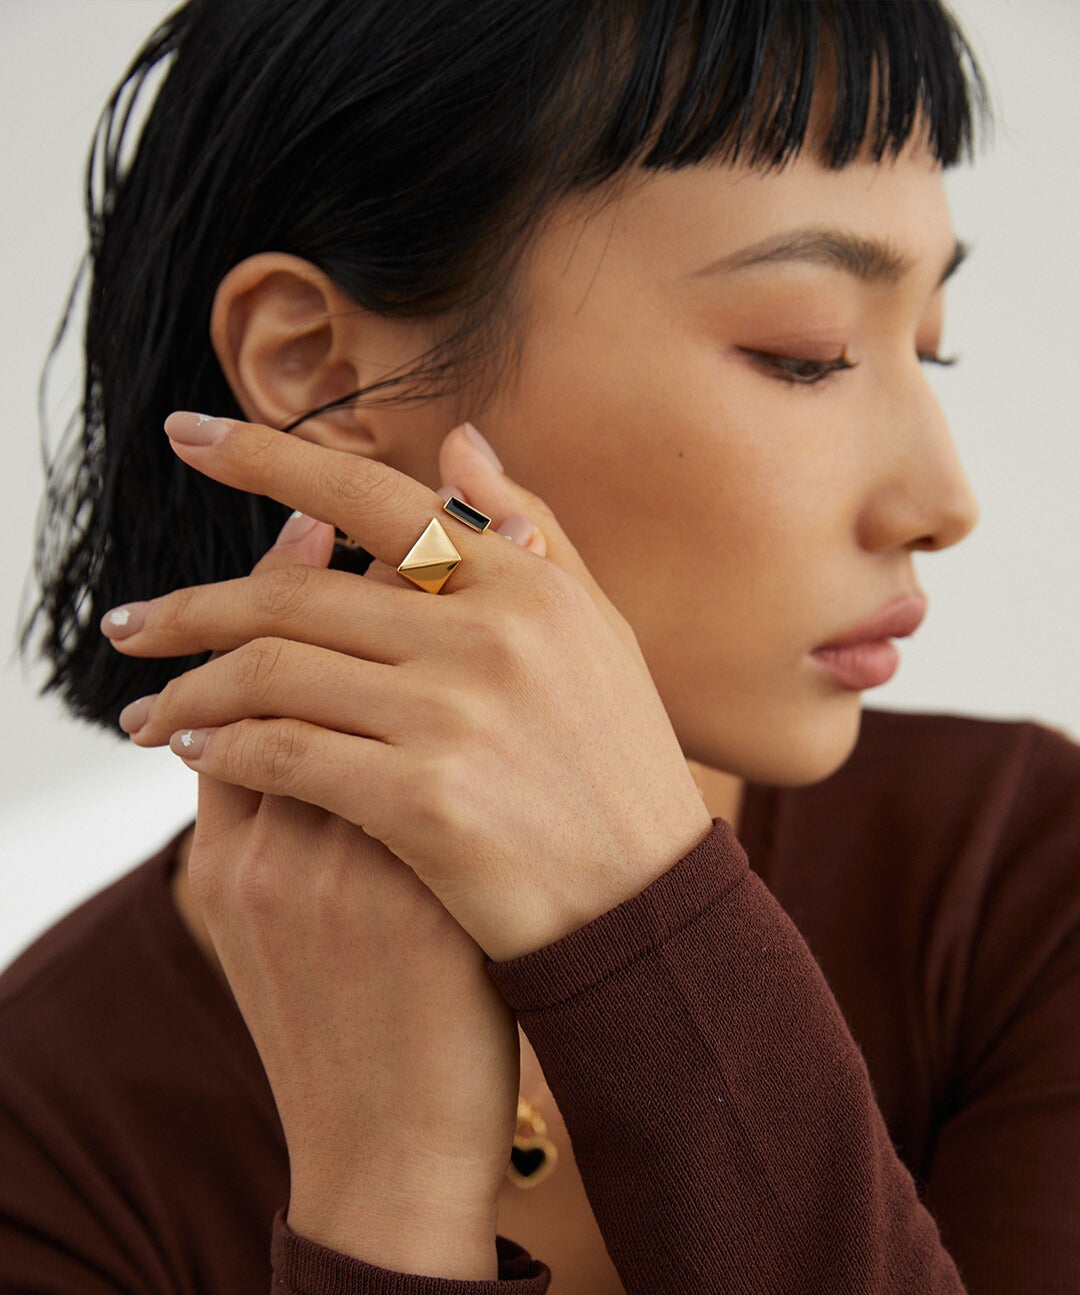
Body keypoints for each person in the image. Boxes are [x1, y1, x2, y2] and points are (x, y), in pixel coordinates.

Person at [3, 0, 1078, 1291]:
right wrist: (384, 1199)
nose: (944, 503)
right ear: (312, 365)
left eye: (931, 353)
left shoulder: (1026, 885)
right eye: (809, 355)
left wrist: (641, 913)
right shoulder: (47, 1142)